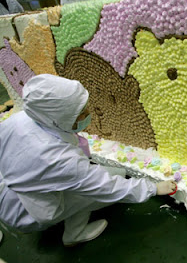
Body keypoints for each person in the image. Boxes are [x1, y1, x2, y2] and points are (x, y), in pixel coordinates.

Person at [0, 74, 177, 246]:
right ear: (58, 119)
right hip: (27, 212)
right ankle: (75, 234)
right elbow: (107, 187)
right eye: (80, 113)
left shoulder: (22, 118)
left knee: (114, 174)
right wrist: (153, 188)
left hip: (9, 191)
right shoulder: (57, 160)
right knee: (96, 191)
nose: (88, 113)